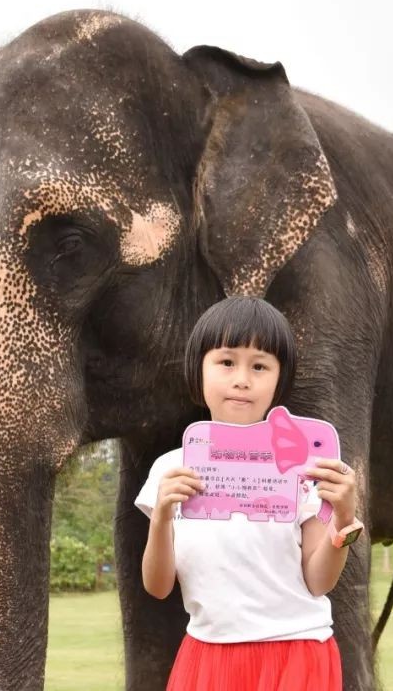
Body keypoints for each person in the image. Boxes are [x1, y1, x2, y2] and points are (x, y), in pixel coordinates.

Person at [136, 296, 363, 691]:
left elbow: (318, 581)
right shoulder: (170, 469)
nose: (242, 379)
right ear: (198, 369)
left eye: (260, 366)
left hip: (297, 653)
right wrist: (161, 516)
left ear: (279, 380)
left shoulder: (304, 466)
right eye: (226, 362)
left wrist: (343, 521)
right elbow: (158, 586)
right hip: (208, 654)